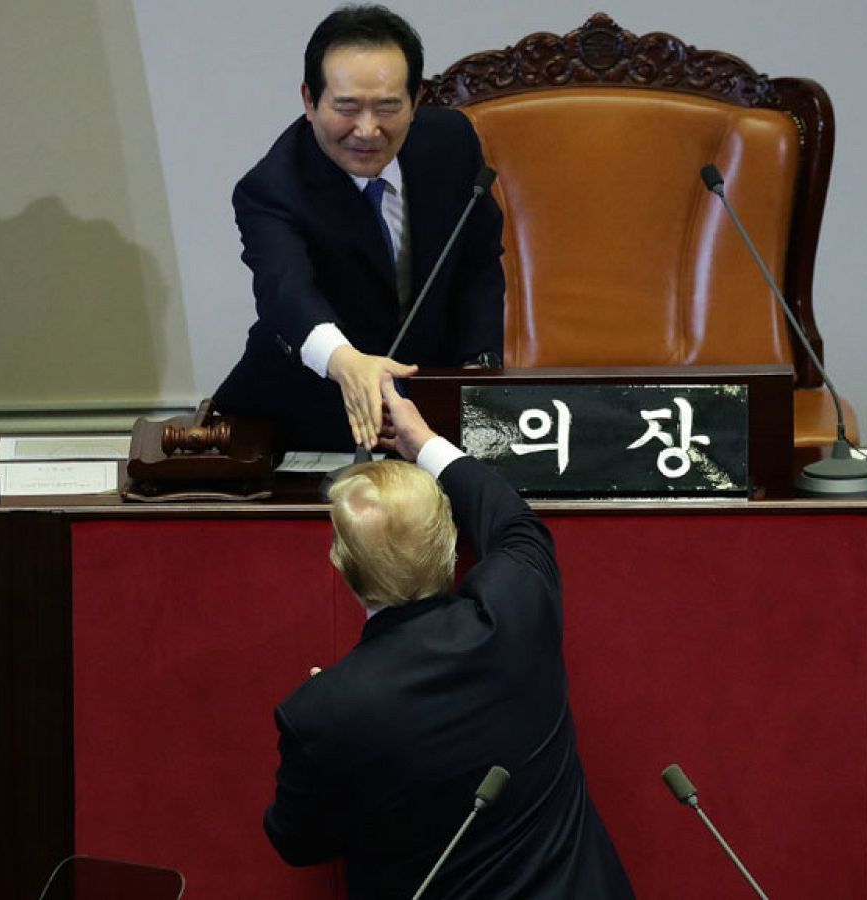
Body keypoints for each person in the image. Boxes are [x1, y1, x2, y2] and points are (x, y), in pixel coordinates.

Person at [262, 374, 636, 899]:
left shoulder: (322, 714)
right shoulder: (519, 609)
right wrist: (426, 444)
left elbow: (296, 842)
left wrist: (334, 726)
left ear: (344, 567)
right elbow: (513, 522)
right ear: (453, 542)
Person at [212, 5, 505, 452]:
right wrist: (345, 362)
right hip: (304, 418)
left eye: (388, 107)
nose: (367, 131)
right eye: (346, 107)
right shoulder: (272, 187)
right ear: (310, 101)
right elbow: (285, 292)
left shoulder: (451, 142)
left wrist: (477, 373)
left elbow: (478, 264)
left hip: (433, 407)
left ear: (417, 99)